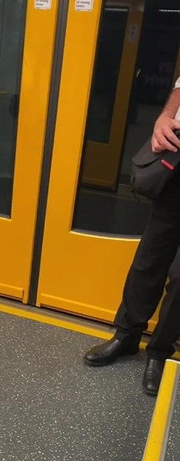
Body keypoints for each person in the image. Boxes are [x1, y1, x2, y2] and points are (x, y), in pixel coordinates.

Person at [84, 77, 180, 397]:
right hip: (177, 161)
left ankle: (158, 351)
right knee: (149, 260)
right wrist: (166, 116)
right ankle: (126, 336)